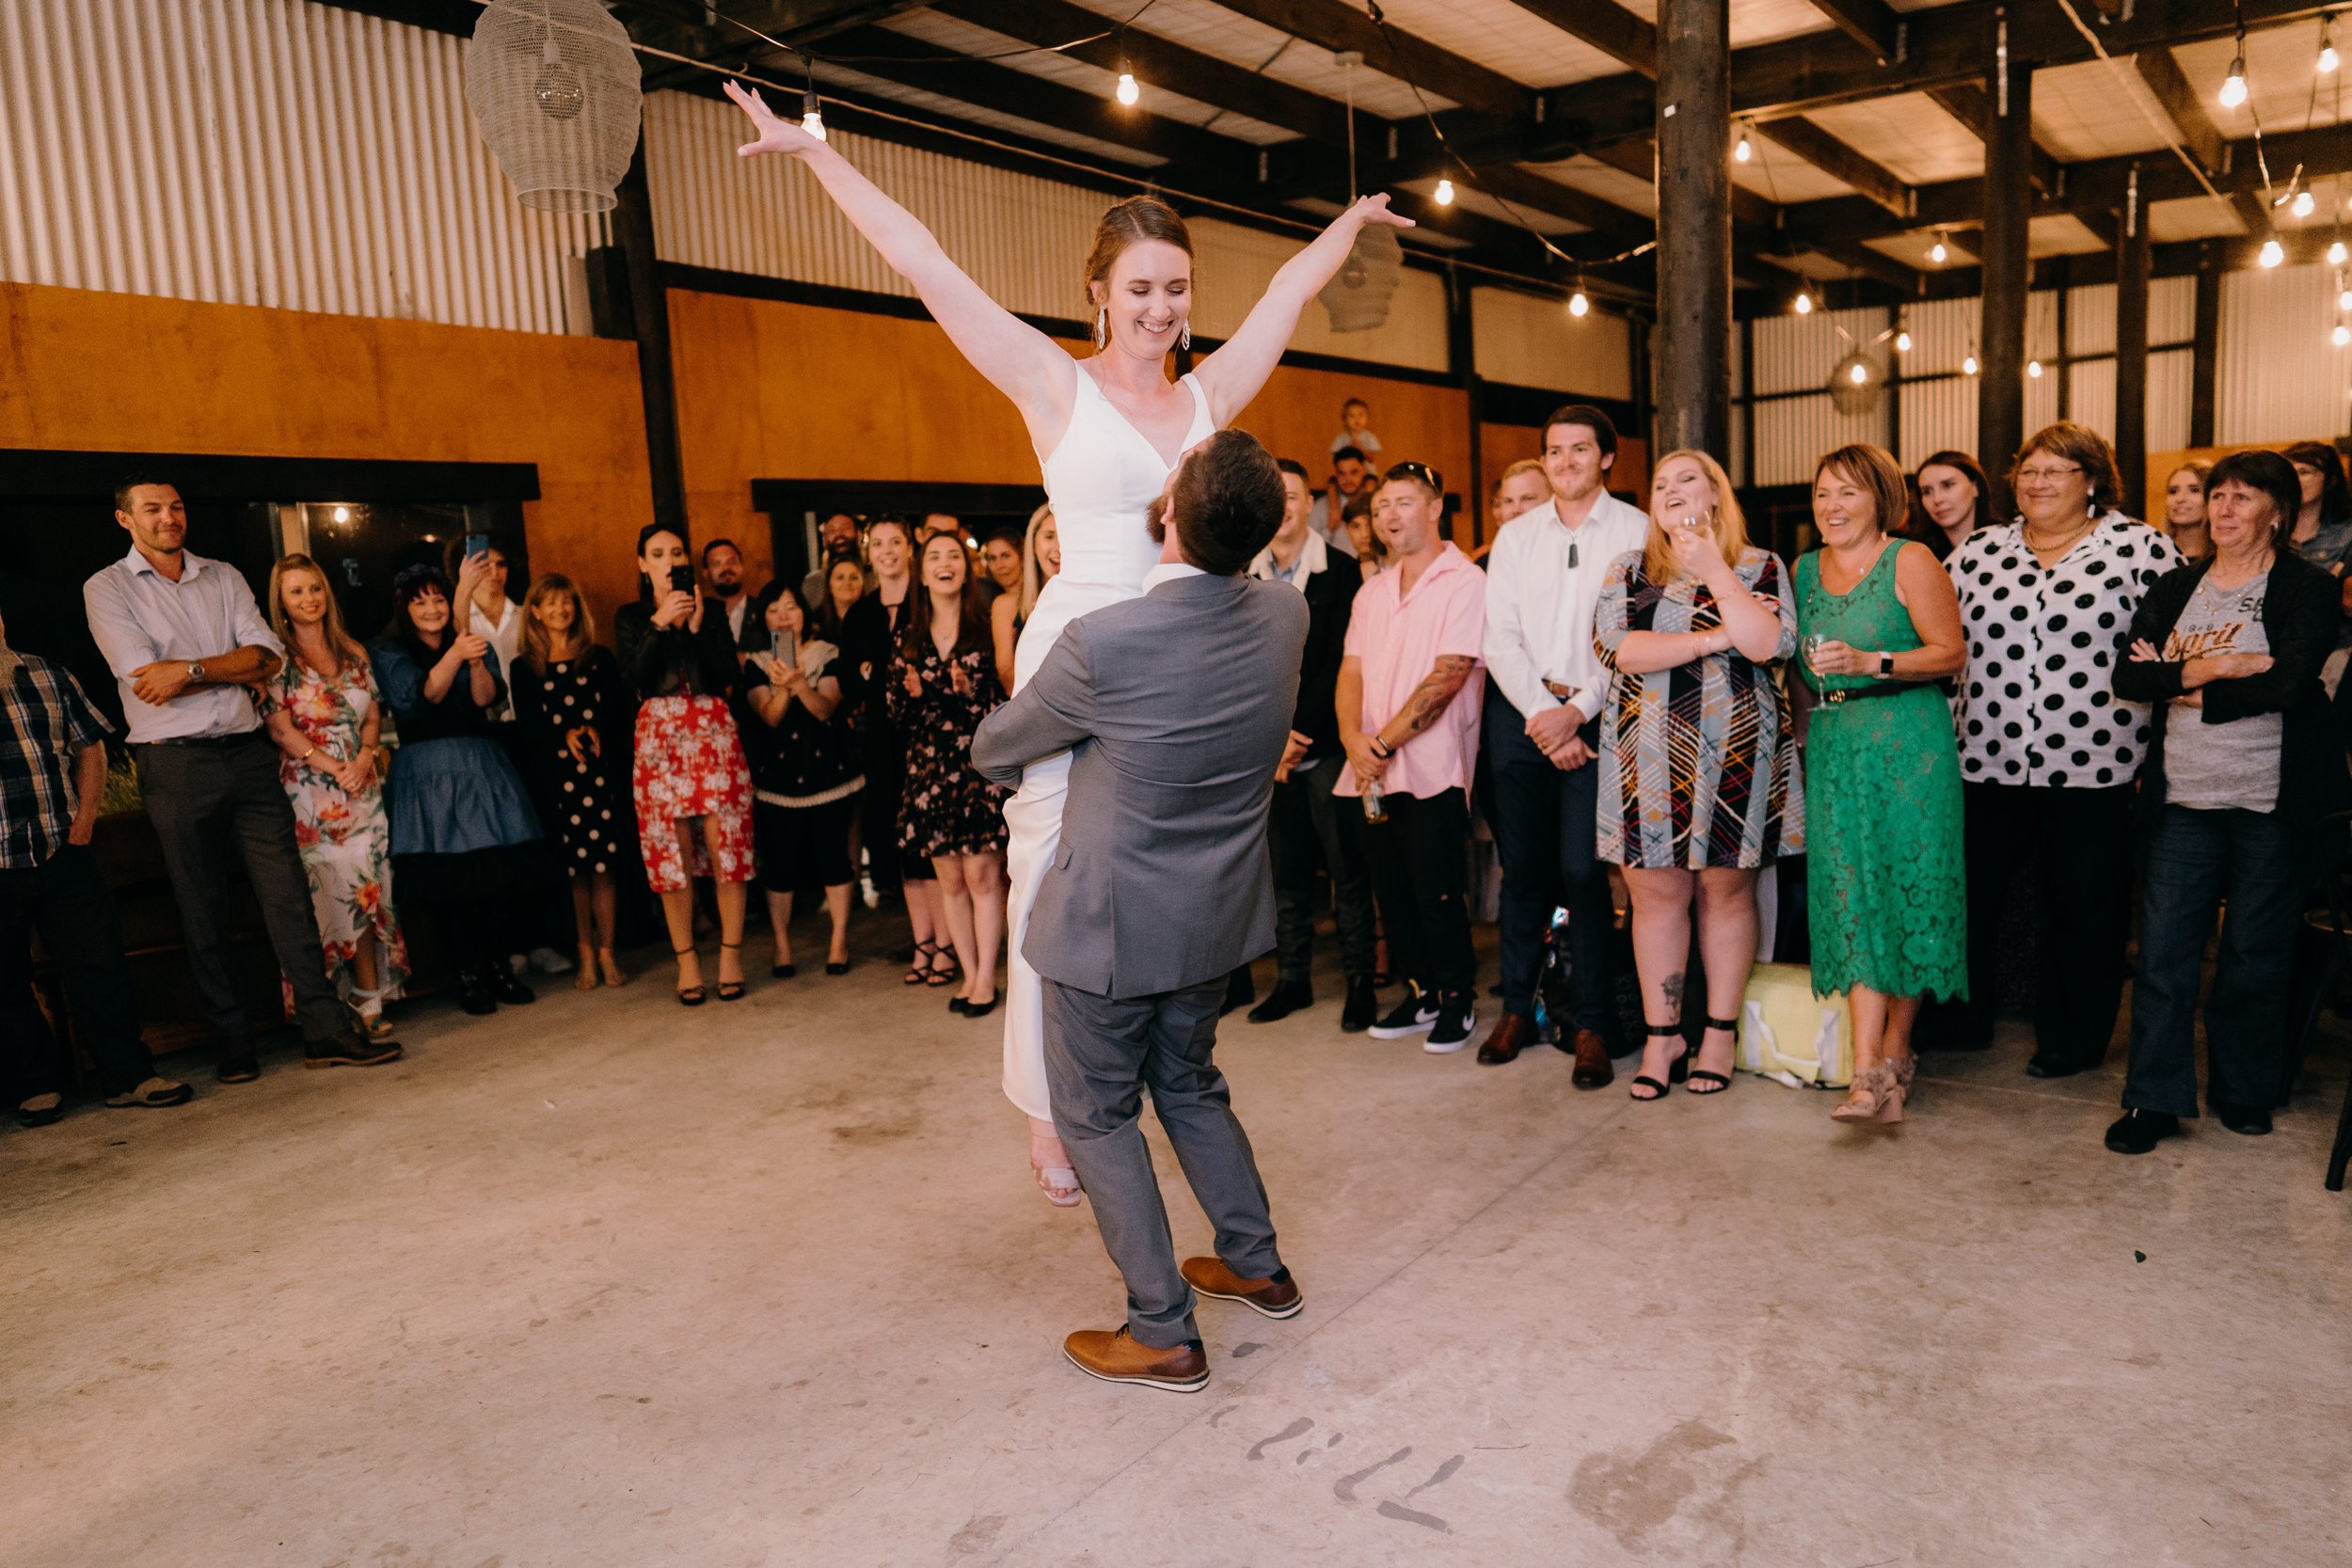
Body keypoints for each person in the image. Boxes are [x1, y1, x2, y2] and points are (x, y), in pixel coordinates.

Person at [726, 73, 1415, 1204]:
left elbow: (1289, 293)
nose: (1161, 308)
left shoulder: (1210, 398)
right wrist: (814, 157)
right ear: (1100, 289)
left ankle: (1160, 1073)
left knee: (1173, 872)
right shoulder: (1053, 384)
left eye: (1178, 289)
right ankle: (1053, 1109)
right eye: (1141, 287)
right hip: (1081, 655)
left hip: (1187, 660)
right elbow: (926, 263)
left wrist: (1345, 223)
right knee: (1051, 875)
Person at [970, 430, 1309, 1392]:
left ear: (1165, 515)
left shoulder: (1103, 640)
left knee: (1095, 1111)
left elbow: (997, 745)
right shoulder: (1285, 615)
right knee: (1191, 1082)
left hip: (1109, 925)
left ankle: (1161, 1326)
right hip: (1214, 919)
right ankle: (1254, 1260)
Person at [83, 476, 398, 1081]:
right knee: (201, 905)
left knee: (287, 896)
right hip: (173, 763)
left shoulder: (223, 575)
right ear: (125, 519)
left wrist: (192, 670)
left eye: (176, 506)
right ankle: (233, 1041)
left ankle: (324, 1030)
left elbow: (266, 657)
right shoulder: (107, 587)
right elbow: (144, 675)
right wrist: (228, 670)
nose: (169, 517)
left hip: (249, 756)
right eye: (152, 509)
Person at [2107, 451, 2351, 1153]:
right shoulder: (2177, 585)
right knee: (2164, 952)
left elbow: (2289, 683)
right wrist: (2217, 664)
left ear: (2276, 511)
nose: (2224, 509)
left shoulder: (2305, 587)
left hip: (2268, 799)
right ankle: (2153, 1101)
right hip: (2184, 794)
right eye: (2218, 496)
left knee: (2253, 950)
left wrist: (2177, 681)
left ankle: (2244, 1091)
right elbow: (2130, 674)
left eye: (2243, 498)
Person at [1944, 421, 2178, 1076]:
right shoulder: (1978, 552)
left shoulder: (2139, 548)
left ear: (2093, 479)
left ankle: (2072, 1038)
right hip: (1983, 757)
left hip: (2095, 763)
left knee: (2084, 910)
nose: (2037, 482)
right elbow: (1932, 633)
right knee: (1970, 899)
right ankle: (1959, 1019)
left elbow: (2173, 647)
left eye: (2056, 470)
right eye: (2027, 470)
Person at [1593, 450, 1801, 1101]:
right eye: (1662, 484)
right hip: (1645, 751)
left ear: (1716, 494)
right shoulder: (1629, 568)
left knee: (1726, 889)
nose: (1674, 492)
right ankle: (1664, 1035)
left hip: (1739, 748)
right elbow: (1617, 648)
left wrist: (1714, 570)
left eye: (1689, 480)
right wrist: (1716, 640)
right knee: (1655, 893)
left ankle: (1718, 1030)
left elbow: (1770, 644)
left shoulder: (1761, 564)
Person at [1796, 445, 1969, 1124]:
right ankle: (1869, 1072)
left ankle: (1891, 1054)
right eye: (1822, 494)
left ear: (1880, 498)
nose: (1831, 507)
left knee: (1909, 891)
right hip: (1837, 747)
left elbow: (1950, 651)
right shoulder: (1805, 569)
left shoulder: (1911, 559)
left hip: (1909, 743)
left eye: (1847, 493)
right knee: (1851, 896)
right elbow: (1795, 665)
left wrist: (1875, 659)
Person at [1477, 406, 1650, 1077]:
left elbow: (1630, 636)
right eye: (1554, 451)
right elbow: (1501, 640)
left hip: (1600, 714)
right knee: (1521, 871)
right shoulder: (1517, 537)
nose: (1566, 461)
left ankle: (1591, 1022)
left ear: (1607, 458)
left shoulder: (1638, 531)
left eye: (1581, 450)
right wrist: (1547, 716)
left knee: (1583, 872)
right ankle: (1518, 1006)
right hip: (1524, 717)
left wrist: (1576, 711)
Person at [0, 609, 192, 1124]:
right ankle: (36, 1086)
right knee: (6, 985)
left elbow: (91, 750)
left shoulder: (48, 674)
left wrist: (84, 820)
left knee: (101, 968)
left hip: (66, 852)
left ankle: (129, 1077)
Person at [1337, 462, 1487, 1054]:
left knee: (1438, 888)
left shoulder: (1463, 581)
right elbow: (1351, 669)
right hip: (1370, 770)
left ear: (1434, 505)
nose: (1389, 517)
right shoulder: (1372, 591)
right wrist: (1352, 736)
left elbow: (1450, 673)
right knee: (1391, 890)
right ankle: (1422, 990)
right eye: (1380, 508)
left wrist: (1380, 742)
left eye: (1402, 503)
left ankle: (1457, 998)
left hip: (1432, 768)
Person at [372, 564, 546, 1016]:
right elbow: (424, 695)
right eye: (420, 601)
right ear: (404, 608)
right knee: (450, 881)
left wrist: (472, 659)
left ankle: (499, 965)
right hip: (425, 770)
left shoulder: (471, 642)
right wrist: (454, 651)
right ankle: (466, 974)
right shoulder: (391, 652)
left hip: (478, 764)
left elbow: (487, 698)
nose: (431, 609)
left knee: (493, 874)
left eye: (439, 600)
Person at [1245, 456, 1375, 1030]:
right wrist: (1270, 739)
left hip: (1325, 750)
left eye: (1293, 495)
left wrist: (1298, 734)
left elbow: (1339, 665)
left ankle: (1361, 985)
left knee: (1348, 875)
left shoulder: (1342, 571)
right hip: (1265, 758)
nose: (1283, 506)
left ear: (1308, 504)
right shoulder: (1240, 574)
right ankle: (1293, 981)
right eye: (1273, 495)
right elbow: (1237, 666)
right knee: (1285, 876)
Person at [261, 553, 406, 1041]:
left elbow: (372, 717)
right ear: (281, 603)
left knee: (368, 885)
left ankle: (369, 993)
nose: (309, 599)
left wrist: (365, 756)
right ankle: (325, 1004)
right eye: (296, 591)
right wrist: (333, 767)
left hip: (362, 787)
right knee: (328, 891)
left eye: (315, 588)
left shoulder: (354, 652)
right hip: (311, 795)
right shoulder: (277, 660)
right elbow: (279, 730)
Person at [615, 525, 755, 1006]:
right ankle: (687, 961)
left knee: (727, 848)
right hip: (659, 734)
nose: (668, 560)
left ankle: (731, 954)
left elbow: (728, 677)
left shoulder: (711, 611)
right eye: (657, 554)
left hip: (713, 730)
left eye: (676, 553)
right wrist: (659, 626)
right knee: (669, 855)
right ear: (642, 563)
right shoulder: (631, 616)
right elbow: (633, 679)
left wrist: (695, 632)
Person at [885, 532, 1009, 1018]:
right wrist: (914, 695)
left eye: (953, 556)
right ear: (922, 572)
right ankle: (966, 972)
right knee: (950, 880)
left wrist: (966, 691)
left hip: (977, 768)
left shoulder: (985, 623)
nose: (945, 564)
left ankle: (984, 978)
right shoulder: (906, 633)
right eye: (935, 557)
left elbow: (1002, 705)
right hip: (928, 771)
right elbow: (893, 713)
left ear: (966, 567)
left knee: (982, 873)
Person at [839, 516, 948, 983]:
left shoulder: (928, 602)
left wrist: (876, 671)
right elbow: (849, 679)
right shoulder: (860, 613)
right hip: (883, 744)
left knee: (937, 849)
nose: (887, 551)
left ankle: (948, 944)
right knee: (903, 848)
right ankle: (923, 944)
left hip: (930, 739)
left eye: (895, 542)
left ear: (910, 549)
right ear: (870, 553)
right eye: (878, 544)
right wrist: (876, 675)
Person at [511, 573, 631, 990]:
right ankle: (584, 955)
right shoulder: (524, 668)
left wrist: (596, 728)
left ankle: (608, 953)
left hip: (598, 778)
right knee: (575, 872)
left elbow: (618, 711)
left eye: (568, 602)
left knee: (605, 868)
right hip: (557, 783)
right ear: (537, 612)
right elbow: (527, 726)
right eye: (552, 603)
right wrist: (559, 734)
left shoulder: (598, 657)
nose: (562, 610)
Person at [741, 582, 863, 978]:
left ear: (804, 614)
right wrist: (782, 684)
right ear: (763, 618)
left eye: (791, 607)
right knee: (779, 865)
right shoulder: (756, 663)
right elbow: (770, 717)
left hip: (828, 774)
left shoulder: (829, 653)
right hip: (777, 781)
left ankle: (838, 940)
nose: (783, 615)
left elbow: (825, 709)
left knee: (835, 860)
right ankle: (782, 945)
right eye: (774, 609)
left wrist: (800, 685)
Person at [993, 505, 1060, 691]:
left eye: (1067, 535)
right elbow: (1007, 678)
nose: (1059, 547)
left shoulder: (1090, 604)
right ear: (1033, 542)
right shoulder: (1006, 605)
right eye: (1049, 536)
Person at [2282, 439, 2352, 575]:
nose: (2294, 480)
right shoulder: (2271, 530)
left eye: (2304, 472)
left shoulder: (2347, 534)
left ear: (2331, 480)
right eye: (2290, 473)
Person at [1908, 450, 1989, 562]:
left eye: (1947, 485)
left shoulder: (2007, 541)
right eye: (1927, 491)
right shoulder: (1916, 553)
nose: (1937, 499)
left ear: (1975, 487)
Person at [1479, 458, 1550, 561]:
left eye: (1527, 498)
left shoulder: (1572, 554)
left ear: (1552, 501)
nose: (1516, 509)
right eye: (1508, 501)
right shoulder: (1485, 565)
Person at [1311, 445, 1375, 557]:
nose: (1348, 479)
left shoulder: (1376, 501)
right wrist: (1328, 530)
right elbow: (1309, 549)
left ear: (1364, 470)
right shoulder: (1321, 506)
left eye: (1354, 472)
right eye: (1342, 473)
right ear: (1335, 473)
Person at [802, 514, 863, 607]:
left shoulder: (875, 579)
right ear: (824, 541)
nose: (838, 533)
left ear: (858, 536)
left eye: (845, 527)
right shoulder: (812, 584)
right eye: (831, 530)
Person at [701, 537, 753, 646]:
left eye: (732, 561)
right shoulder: (698, 615)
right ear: (706, 573)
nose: (726, 568)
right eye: (716, 564)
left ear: (742, 566)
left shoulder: (765, 608)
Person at [2161, 459, 2215, 564]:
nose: (2180, 499)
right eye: (2173, 491)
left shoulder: (2225, 557)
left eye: (2194, 490)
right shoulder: (2152, 552)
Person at [816, 551, 866, 648]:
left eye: (854, 578)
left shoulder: (876, 617)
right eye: (840, 578)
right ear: (829, 586)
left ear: (862, 585)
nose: (847, 583)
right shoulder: (816, 622)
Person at [1339, 489, 1385, 576]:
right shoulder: (1345, 573)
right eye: (1356, 527)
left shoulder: (1395, 568)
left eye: (1369, 525)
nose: (1364, 534)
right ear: (1347, 530)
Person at [977, 530, 1024, 608]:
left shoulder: (1042, 598)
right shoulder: (984, 602)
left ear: (1022, 558)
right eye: (992, 558)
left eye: (1006, 556)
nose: (999, 565)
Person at [1331, 395, 1383, 462]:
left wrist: (1361, 449)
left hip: (1366, 471)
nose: (1357, 419)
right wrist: (1347, 451)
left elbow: (1372, 459)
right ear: (1345, 420)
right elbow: (1335, 459)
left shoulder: (1369, 437)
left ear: (1367, 418)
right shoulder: (1341, 438)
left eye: (1361, 415)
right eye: (1352, 416)